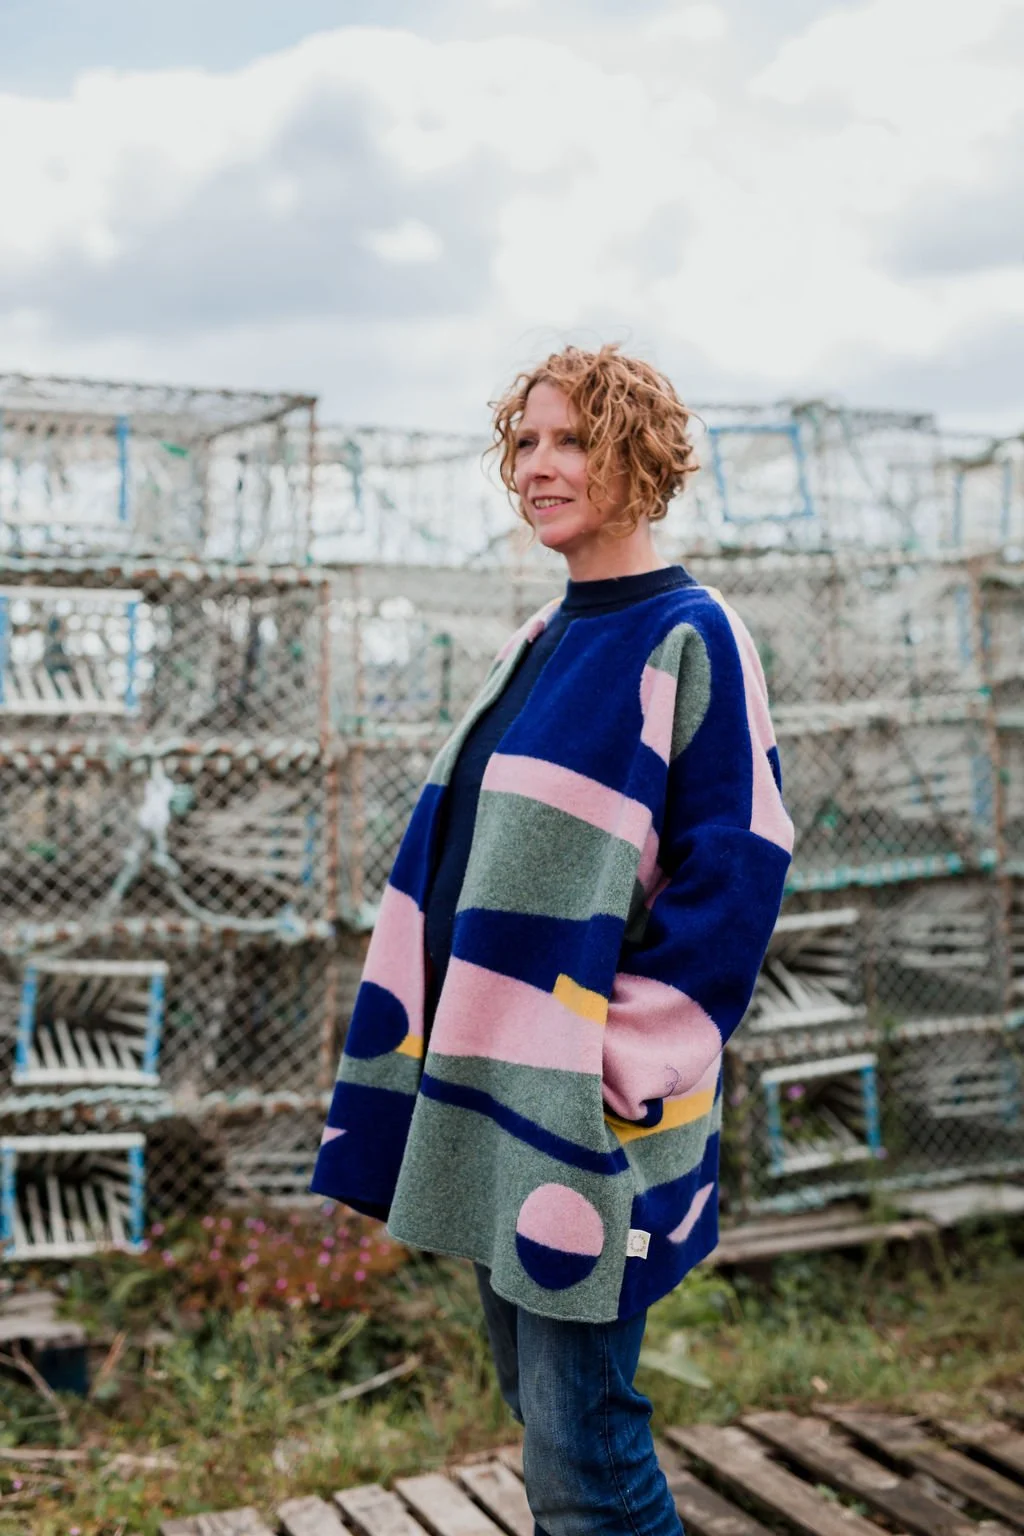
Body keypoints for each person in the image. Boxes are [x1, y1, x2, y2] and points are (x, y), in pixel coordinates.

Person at [311, 343, 794, 1535]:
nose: (537, 466)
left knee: (585, 1461)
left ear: (641, 455)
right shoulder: (544, 633)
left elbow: (738, 866)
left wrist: (615, 1064)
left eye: (571, 440)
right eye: (524, 442)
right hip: (496, 1097)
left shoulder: (689, 633)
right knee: (543, 1417)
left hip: (581, 1114)